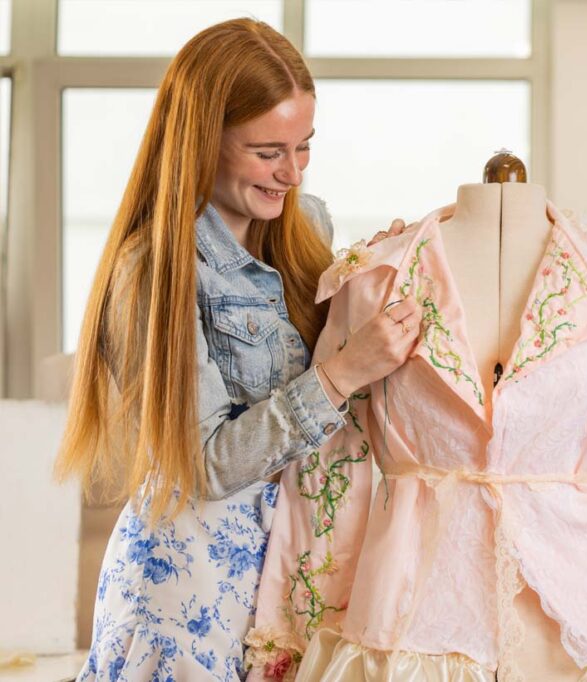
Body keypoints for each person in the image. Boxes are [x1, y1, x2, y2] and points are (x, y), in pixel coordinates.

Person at [54, 18, 422, 681]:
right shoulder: (151, 273)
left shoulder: (305, 227)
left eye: (304, 146)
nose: (291, 172)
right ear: (201, 141)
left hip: (290, 572)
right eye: (267, 151)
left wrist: (373, 278)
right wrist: (344, 372)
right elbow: (206, 466)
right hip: (189, 588)